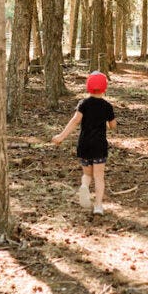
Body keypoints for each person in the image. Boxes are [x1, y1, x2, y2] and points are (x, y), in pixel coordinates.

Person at [52, 71, 116, 214]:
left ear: (88, 87)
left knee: (87, 174)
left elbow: (75, 121)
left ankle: (85, 186)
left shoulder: (83, 104)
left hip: (84, 145)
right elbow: (113, 125)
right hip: (99, 146)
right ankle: (98, 206)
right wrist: (108, 123)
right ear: (105, 88)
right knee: (99, 176)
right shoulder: (107, 106)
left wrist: (61, 136)